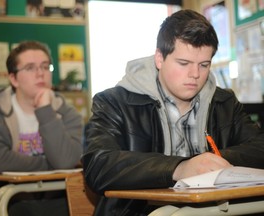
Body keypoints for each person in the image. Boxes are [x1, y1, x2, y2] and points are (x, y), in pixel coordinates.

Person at [82, 9, 264, 215]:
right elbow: (98, 165)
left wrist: (210, 162)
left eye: (204, 65)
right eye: (183, 63)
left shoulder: (225, 102)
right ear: (160, 58)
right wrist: (179, 168)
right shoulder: (114, 102)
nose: (195, 74)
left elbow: (260, 148)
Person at [0, 40, 83, 216]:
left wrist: (45, 111)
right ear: (13, 78)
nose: (40, 73)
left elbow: (66, 162)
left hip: (56, 197)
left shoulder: (67, 112)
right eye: (30, 68)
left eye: (45, 66)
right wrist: (51, 166)